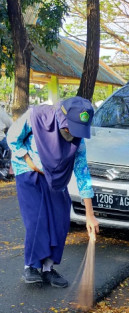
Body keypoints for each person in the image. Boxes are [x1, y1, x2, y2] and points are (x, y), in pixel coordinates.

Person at [7, 96, 99, 288]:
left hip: (56, 176)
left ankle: (48, 269)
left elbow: (83, 174)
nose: (72, 134)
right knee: (37, 219)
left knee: (60, 219)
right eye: (70, 128)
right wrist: (30, 162)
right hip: (28, 170)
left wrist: (90, 215)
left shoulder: (77, 141)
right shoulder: (35, 116)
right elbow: (12, 138)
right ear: (61, 118)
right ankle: (30, 266)